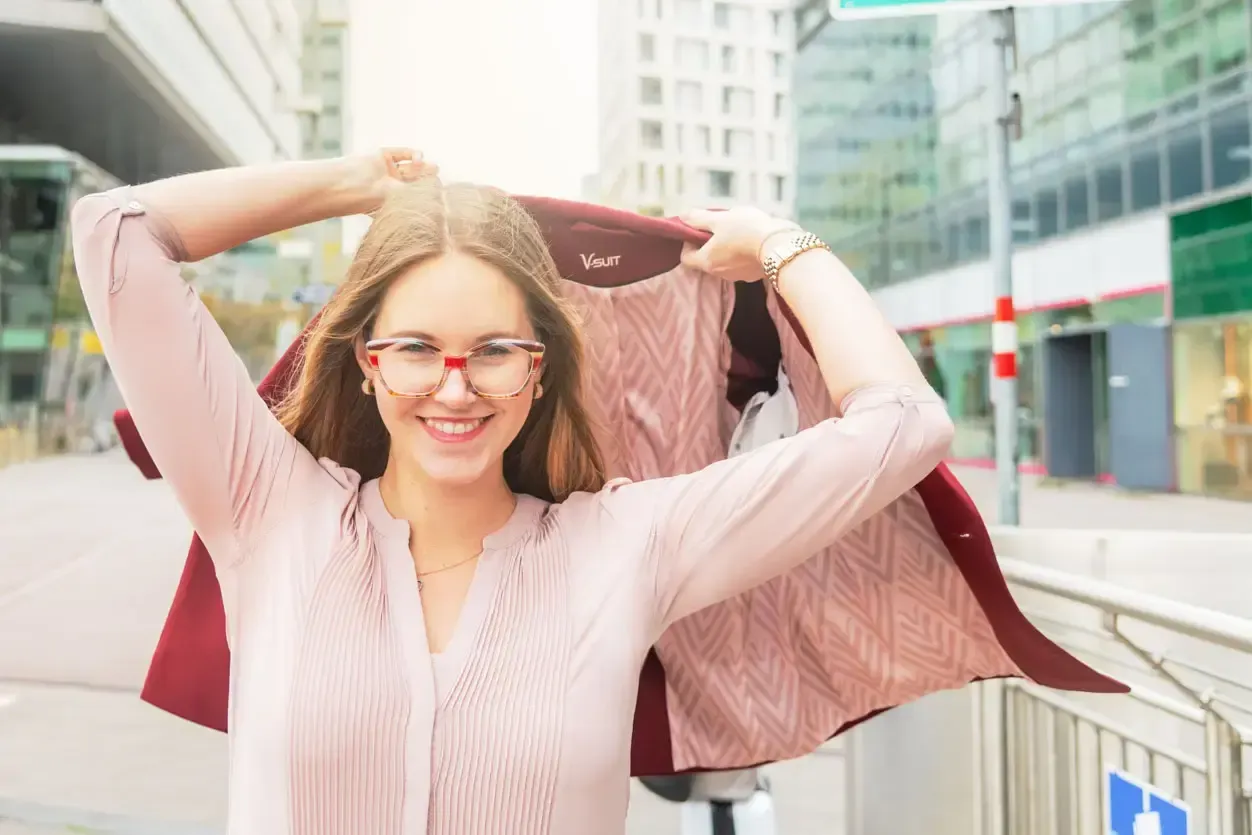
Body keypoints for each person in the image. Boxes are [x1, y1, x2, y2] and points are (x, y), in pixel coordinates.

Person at [70, 146, 953, 833]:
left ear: (541, 373)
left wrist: (777, 245)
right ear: (365, 365)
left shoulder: (627, 546)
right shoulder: (268, 510)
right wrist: (357, 182)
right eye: (416, 348)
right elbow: (114, 229)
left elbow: (904, 425)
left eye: (495, 350)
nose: (455, 387)